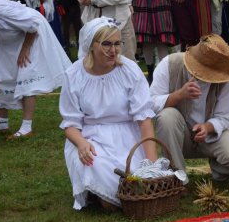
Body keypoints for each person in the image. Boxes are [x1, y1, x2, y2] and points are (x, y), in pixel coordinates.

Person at [59, 17, 157, 211]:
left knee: (137, 183)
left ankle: (102, 195)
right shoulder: (74, 75)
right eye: (106, 44)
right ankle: (100, 195)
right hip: (91, 138)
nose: (113, 50)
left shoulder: (129, 70)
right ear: (91, 46)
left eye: (117, 44)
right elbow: (70, 124)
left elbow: (144, 120)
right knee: (103, 179)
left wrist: (153, 166)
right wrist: (81, 143)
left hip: (127, 137)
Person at [150, 34, 229, 179]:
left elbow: (226, 115)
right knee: (167, 116)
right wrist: (179, 95)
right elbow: (150, 103)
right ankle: (177, 177)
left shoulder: (224, 74)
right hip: (178, 136)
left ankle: (219, 174)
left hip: (209, 137)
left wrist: (208, 127)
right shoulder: (170, 64)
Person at [0, 0, 71, 139]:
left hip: (31, 33)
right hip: (7, 39)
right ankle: (1, 122)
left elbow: (32, 25)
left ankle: (26, 127)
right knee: (0, 75)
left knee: (26, 75)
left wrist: (25, 48)